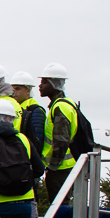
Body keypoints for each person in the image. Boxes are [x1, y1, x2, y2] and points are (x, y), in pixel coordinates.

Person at [11, 71, 47, 218]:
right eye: (12, 89)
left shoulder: (35, 111)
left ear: (28, 90)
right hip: (20, 169)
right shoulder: (18, 109)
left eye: (17, 89)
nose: (14, 93)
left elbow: (36, 142)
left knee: (30, 217)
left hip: (29, 170)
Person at [39, 63, 79, 203]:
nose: (40, 86)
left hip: (61, 168)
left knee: (59, 207)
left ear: (54, 84)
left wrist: (53, 167)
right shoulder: (62, 104)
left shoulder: (60, 107)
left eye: (44, 82)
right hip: (62, 167)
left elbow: (61, 141)